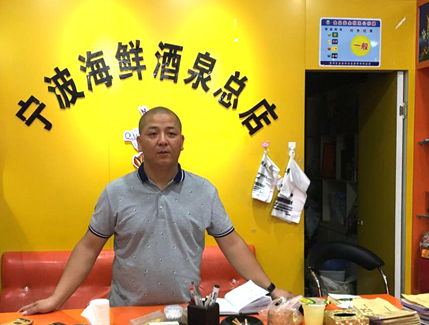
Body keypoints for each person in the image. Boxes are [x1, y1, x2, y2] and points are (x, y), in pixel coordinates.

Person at [20, 107, 294, 314]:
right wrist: (56, 299)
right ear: (139, 142)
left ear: (182, 141)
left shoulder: (204, 191)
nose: (163, 140)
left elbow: (232, 244)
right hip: (125, 313)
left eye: (170, 133)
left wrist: (271, 290)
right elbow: (88, 247)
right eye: (153, 134)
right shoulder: (115, 192)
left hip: (186, 313)